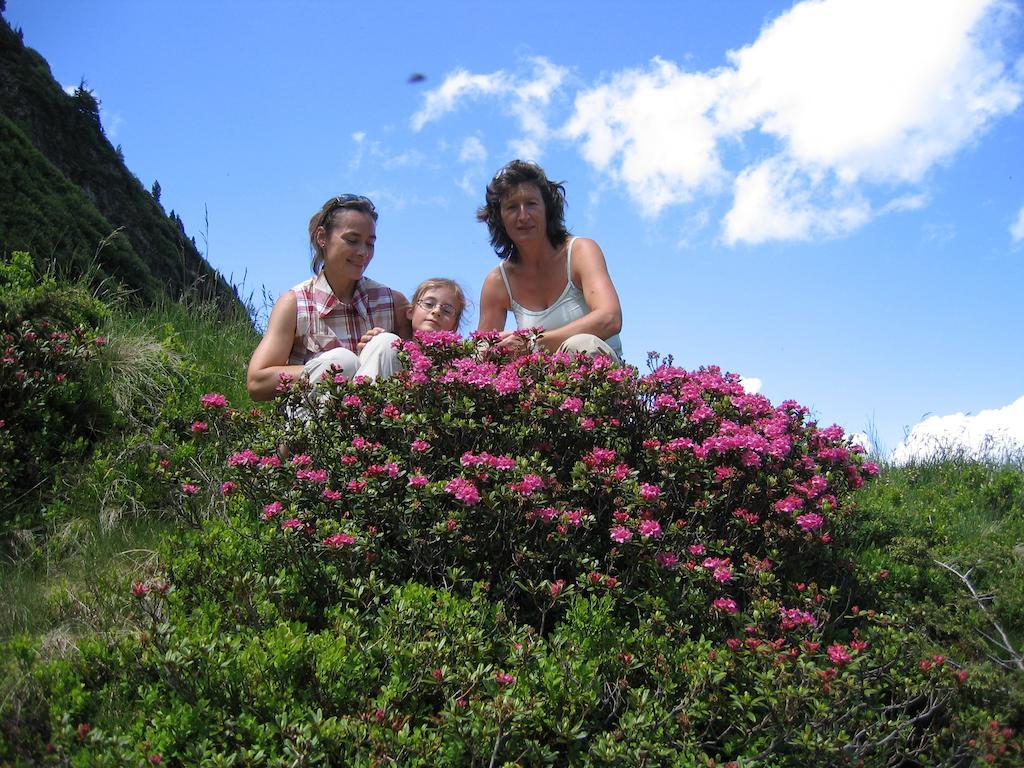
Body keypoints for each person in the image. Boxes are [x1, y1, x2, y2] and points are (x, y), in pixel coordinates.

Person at [247, 195, 412, 401]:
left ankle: (365, 430)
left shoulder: (392, 302)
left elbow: (418, 370)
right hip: (316, 425)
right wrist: (332, 369)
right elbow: (257, 382)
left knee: (386, 343)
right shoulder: (295, 304)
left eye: (370, 244)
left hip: (377, 423)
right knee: (342, 361)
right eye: (352, 240)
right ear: (322, 237)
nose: (363, 252)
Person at [476, 160, 623, 361]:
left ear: (548, 209)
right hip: (540, 388)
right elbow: (481, 354)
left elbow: (609, 318)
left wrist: (531, 343)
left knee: (579, 345)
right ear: (499, 218)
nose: (523, 216)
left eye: (531, 204)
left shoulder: (581, 251)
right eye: (511, 207)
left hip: (597, 381)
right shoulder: (497, 282)